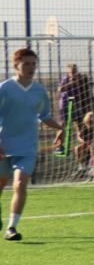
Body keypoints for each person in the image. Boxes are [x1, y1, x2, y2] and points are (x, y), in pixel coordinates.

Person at [0, 47, 60, 241]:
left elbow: (45, 116)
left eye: (33, 63)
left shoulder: (39, 91)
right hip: (3, 145)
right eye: (26, 63)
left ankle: (11, 227)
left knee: (20, 184)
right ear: (16, 65)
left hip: (27, 147)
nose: (31, 67)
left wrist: (60, 128)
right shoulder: (5, 88)